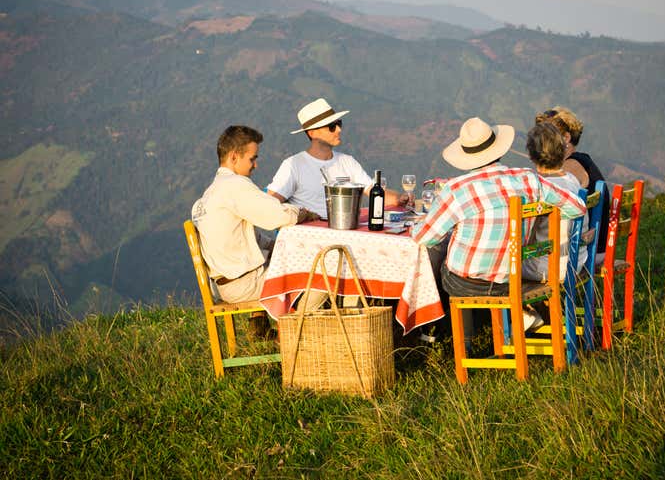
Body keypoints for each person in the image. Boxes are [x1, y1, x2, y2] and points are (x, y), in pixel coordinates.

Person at [412, 117, 586, 341]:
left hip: (468, 284)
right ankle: (482, 334)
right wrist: (540, 213)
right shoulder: (527, 179)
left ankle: (451, 338)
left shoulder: (456, 189)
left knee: (442, 261)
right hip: (511, 278)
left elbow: (424, 237)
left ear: (466, 157)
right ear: (499, 149)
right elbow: (576, 207)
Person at [191, 125, 317, 322]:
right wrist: (303, 213)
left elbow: (247, 238)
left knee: (293, 262)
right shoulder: (235, 186)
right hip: (245, 285)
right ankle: (290, 331)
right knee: (321, 275)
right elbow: (279, 215)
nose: (255, 165)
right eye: (252, 158)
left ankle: (264, 326)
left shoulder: (209, 195)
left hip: (225, 284)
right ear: (234, 157)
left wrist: (274, 245)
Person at [267, 98, 406, 218]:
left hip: (346, 231)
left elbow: (373, 192)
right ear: (313, 133)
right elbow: (270, 204)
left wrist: (399, 198)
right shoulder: (293, 165)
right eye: (332, 127)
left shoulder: (347, 162)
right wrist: (301, 215)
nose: (339, 130)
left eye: (339, 124)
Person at [535, 106, 610, 253]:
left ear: (566, 138)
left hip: (586, 250)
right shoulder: (583, 160)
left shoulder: (569, 168)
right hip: (595, 246)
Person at [523, 121, 588, 281]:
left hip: (548, 267)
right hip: (577, 261)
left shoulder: (539, 189)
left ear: (532, 156)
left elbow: (527, 235)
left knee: (502, 265)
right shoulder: (572, 180)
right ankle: (538, 306)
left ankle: (516, 305)